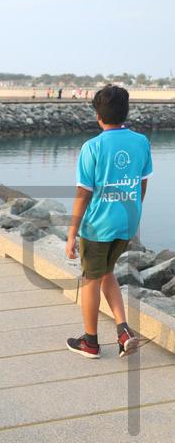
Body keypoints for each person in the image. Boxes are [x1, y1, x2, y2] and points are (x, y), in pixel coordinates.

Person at [65, 84, 153, 359]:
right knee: (106, 273)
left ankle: (90, 342)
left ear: (98, 116)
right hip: (127, 223)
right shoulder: (141, 142)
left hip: (98, 226)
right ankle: (123, 332)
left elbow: (83, 194)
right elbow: (142, 183)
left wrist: (72, 233)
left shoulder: (92, 147)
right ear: (125, 112)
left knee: (90, 279)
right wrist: (133, 211)